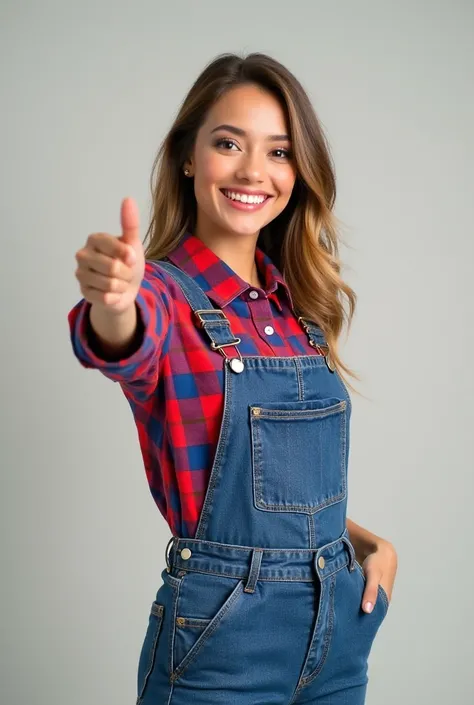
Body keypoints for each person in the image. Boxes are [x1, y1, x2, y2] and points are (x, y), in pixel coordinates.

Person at [68, 52, 398, 705]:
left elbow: (280, 498)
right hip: (222, 643)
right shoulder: (159, 293)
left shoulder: (295, 310)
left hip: (337, 634)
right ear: (189, 155)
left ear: (298, 171)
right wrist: (111, 303)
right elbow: (124, 339)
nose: (254, 171)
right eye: (228, 143)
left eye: (278, 152)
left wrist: (368, 544)